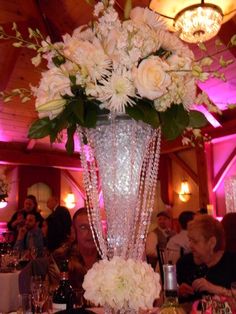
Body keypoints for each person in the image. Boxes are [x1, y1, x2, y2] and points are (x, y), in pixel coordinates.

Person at [176, 214, 236, 304]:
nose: (190, 245)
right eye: (190, 240)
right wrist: (178, 292)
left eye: (195, 241)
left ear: (212, 242)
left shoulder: (232, 262)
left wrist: (214, 288)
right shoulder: (184, 263)